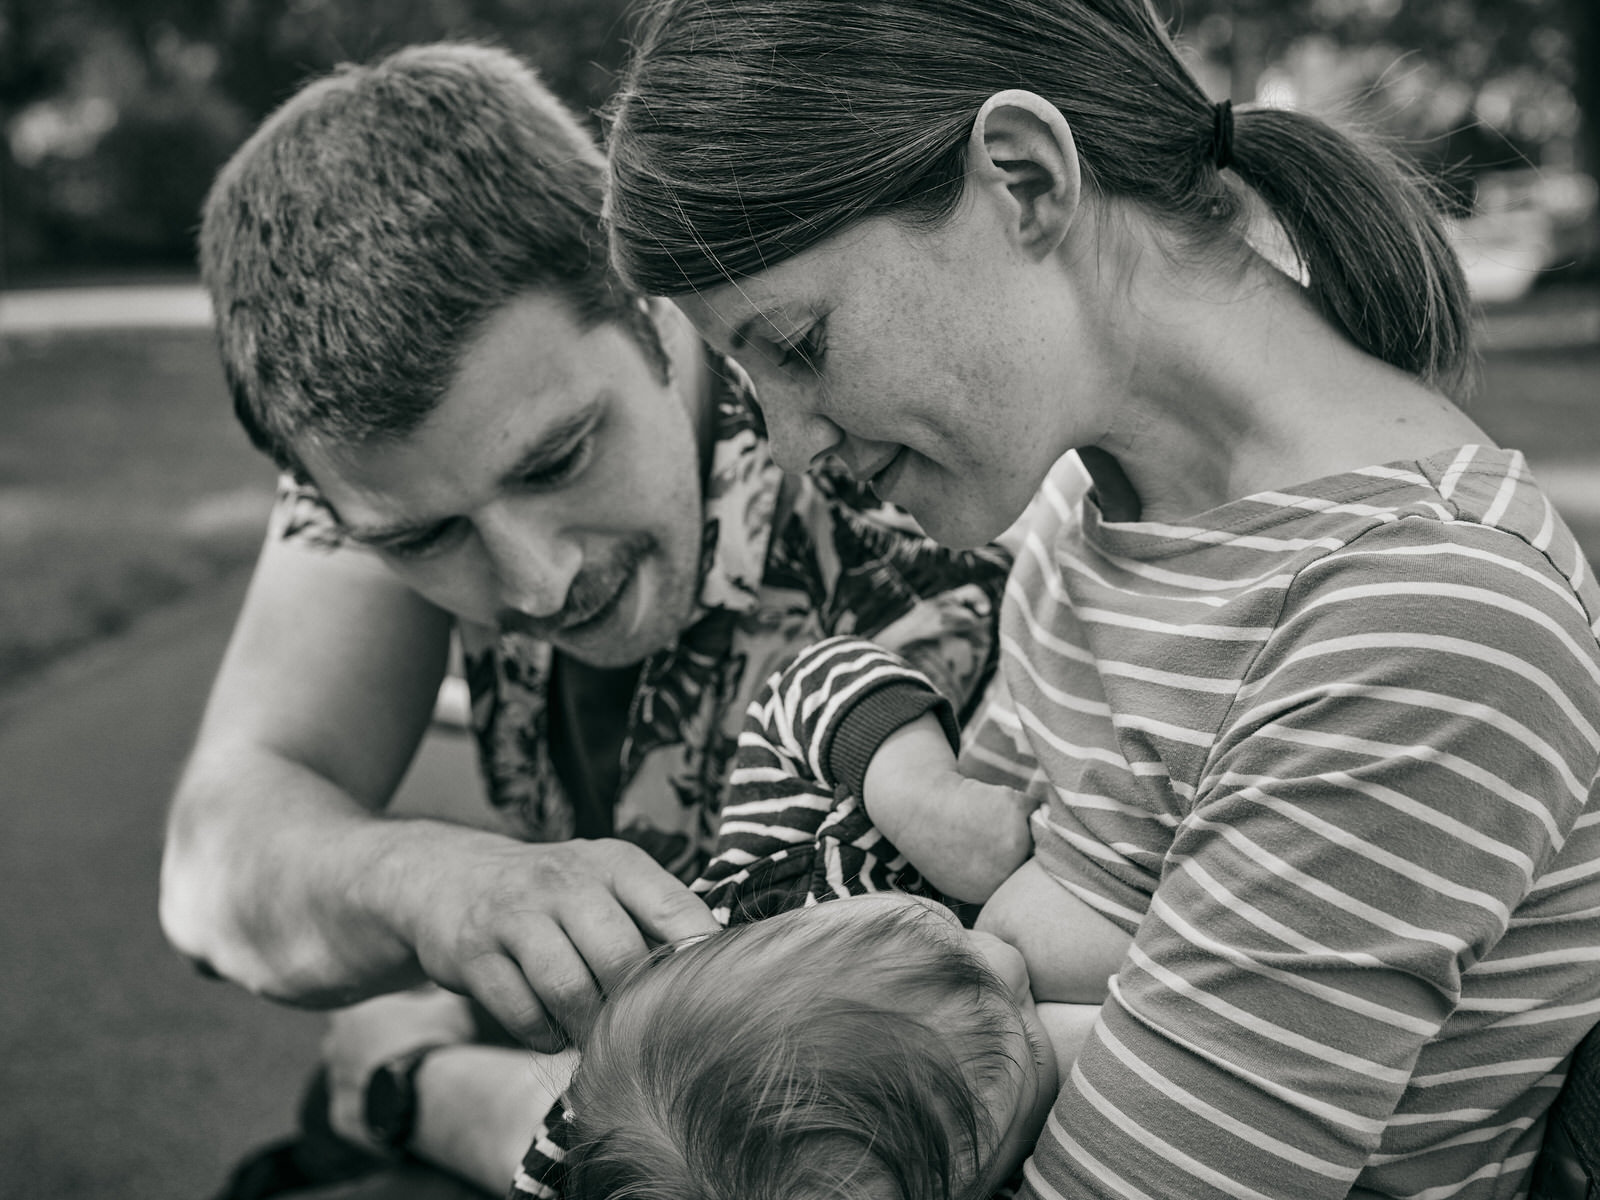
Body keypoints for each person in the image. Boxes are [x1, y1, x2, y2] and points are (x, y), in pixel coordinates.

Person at [604, 1, 1600, 1196]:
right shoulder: (1106, 524)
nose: (786, 439)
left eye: (801, 346)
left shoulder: (1417, 618)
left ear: (1023, 180)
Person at [159, 41, 1013, 1197]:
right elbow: (219, 856)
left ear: (653, 316)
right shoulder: (389, 469)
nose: (534, 581)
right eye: (424, 540)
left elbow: (839, 1137)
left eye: (560, 458)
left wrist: (425, 1092)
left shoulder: (884, 486)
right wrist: (433, 884)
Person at [510, 635, 1117, 1200]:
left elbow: (804, 687)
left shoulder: (771, 881)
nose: (1006, 962)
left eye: (949, 949)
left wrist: (919, 795)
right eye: (1027, 1055)